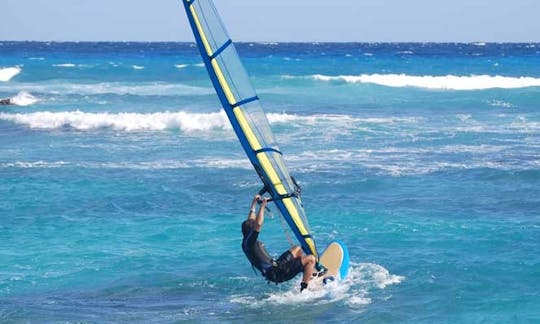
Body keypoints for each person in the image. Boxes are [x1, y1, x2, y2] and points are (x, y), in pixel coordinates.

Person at [241, 194, 318, 292]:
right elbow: (258, 224)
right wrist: (262, 206)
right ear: (251, 230)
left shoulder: (246, 241)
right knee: (311, 259)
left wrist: (253, 204)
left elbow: (251, 221)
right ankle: (305, 288)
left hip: (276, 266)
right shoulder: (250, 242)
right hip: (277, 272)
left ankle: (306, 270)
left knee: (297, 248)